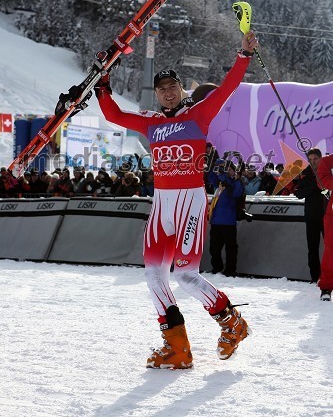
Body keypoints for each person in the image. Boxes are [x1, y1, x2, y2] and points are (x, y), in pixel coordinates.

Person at [95, 31, 258, 369]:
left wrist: (244, 55)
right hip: (162, 203)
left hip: (189, 201)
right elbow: (113, 115)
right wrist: (102, 82)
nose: (168, 93)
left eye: (173, 87)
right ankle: (177, 347)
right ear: (156, 95)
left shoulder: (197, 114)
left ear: (181, 89)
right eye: (162, 89)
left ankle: (232, 323)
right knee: (153, 274)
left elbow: (227, 88)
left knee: (185, 275)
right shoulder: (151, 123)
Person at [208, 159, 244, 276]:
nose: (227, 171)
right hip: (216, 219)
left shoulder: (237, 183)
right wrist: (216, 167)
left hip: (229, 221)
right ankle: (216, 268)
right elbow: (211, 178)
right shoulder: (220, 183)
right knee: (214, 248)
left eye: (229, 169)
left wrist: (225, 178)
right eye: (225, 169)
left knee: (230, 248)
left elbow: (235, 194)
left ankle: (230, 270)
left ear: (234, 171)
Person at [295, 149, 326, 283]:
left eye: (315, 159)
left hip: (327, 215)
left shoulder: (328, 173)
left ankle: (328, 276)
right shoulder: (305, 174)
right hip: (311, 216)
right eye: (310, 159)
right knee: (312, 248)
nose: (313, 162)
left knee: (330, 248)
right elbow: (298, 193)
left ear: (321, 158)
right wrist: (314, 186)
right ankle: (315, 277)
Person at [316, 153, 333, 301]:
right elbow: (321, 181)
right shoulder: (327, 161)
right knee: (330, 251)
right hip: (332, 213)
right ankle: (326, 287)